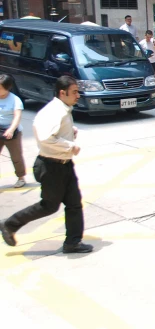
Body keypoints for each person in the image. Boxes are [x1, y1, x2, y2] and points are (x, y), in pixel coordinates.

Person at [1, 76, 92, 254]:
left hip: (64, 164)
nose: (78, 95)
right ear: (62, 92)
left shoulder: (63, 109)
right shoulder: (54, 111)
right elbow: (45, 137)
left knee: (74, 204)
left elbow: (52, 133)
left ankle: (73, 242)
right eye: (74, 92)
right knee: (49, 206)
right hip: (52, 167)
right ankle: (10, 224)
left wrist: (69, 134)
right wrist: (70, 146)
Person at [0, 75, 26, 188]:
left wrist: (11, 129)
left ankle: (21, 178)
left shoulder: (15, 100)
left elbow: (17, 117)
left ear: (7, 87)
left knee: (16, 156)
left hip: (12, 132)